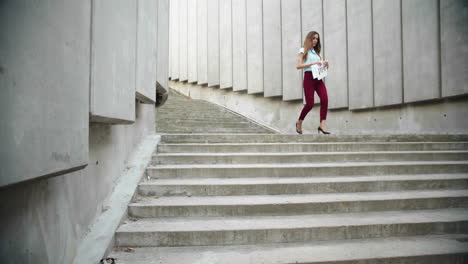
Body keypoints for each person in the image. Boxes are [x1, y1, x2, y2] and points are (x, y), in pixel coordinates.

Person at [295, 31, 330, 135]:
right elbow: (298, 66)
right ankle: (299, 121)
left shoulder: (317, 53)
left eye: (317, 39)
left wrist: (326, 64)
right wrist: (312, 63)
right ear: (309, 39)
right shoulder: (303, 50)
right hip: (309, 78)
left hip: (318, 78)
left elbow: (321, 67)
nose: (315, 40)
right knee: (310, 104)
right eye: (314, 38)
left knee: (325, 99)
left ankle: (322, 125)